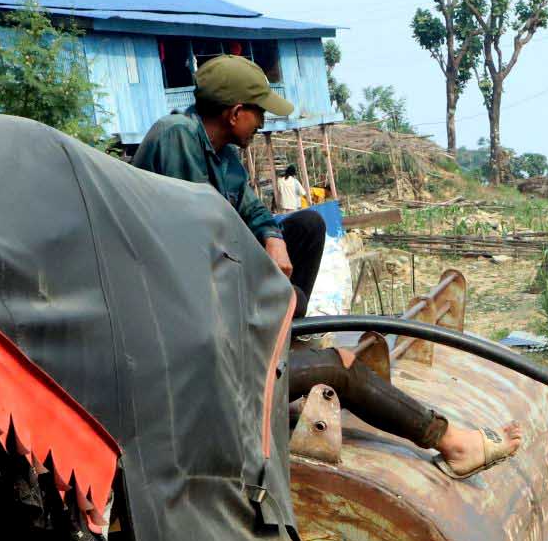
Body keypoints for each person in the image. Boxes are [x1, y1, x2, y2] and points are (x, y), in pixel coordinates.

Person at [134, 55, 518, 478]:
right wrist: (266, 291)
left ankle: (282, 332)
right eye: (259, 112)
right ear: (235, 113)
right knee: (341, 366)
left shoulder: (223, 153)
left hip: (215, 308)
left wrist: (275, 240)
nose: (262, 122)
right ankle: (453, 442)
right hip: (191, 350)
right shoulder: (177, 137)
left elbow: (252, 213)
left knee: (307, 225)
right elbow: (198, 247)